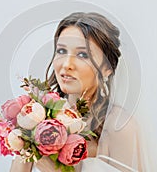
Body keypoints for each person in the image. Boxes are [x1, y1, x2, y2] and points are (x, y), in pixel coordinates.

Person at [10, 12, 146, 172]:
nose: (67, 64)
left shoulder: (120, 128)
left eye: (82, 54)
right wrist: (23, 144)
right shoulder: (40, 117)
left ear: (107, 68)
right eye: (61, 51)